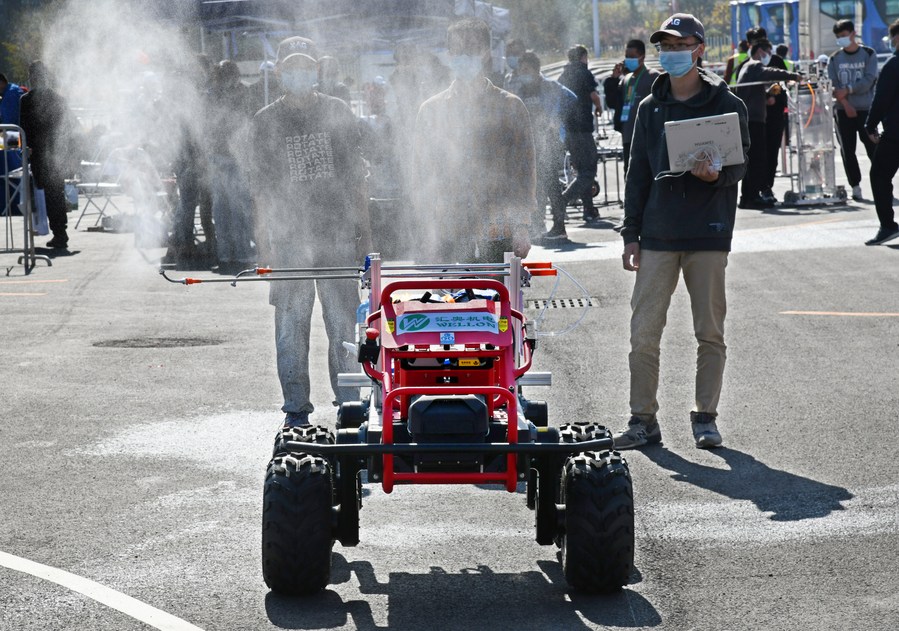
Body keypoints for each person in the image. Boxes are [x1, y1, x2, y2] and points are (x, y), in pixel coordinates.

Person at [614, 13, 750, 450]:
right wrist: (629, 233)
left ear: (698, 49)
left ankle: (705, 417)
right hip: (656, 235)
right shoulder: (650, 108)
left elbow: (740, 163)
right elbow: (637, 173)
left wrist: (717, 177)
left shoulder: (728, 104)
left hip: (708, 234)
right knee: (643, 334)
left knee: (709, 331)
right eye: (664, 45)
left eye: (679, 44)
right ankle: (642, 419)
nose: (670, 53)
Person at [250, 47, 372, 428]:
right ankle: (295, 407)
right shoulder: (266, 120)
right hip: (289, 238)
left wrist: (364, 234)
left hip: (335, 232)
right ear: (279, 71)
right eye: (291, 68)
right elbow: (261, 188)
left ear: (316, 70)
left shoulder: (337, 110)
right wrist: (263, 240)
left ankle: (349, 403)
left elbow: (356, 178)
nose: (299, 73)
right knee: (291, 323)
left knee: (342, 324)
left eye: (306, 67)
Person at [411, 17, 534, 263]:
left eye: (472, 49)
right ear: (449, 54)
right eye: (458, 50)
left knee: (498, 300)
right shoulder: (431, 110)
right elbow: (421, 175)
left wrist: (522, 225)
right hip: (448, 232)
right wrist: (424, 232)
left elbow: (524, 171)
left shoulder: (510, 106)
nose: (464, 56)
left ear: (486, 53)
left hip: (499, 230)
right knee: (450, 300)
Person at [507, 51, 576, 241]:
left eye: (526, 69)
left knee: (551, 185)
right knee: (535, 186)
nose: (522, 73)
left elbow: (572, 98)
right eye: (520, 70)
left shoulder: (550, 86)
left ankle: (559, 226)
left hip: (549, 143)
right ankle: (537, 227)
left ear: (536, 70)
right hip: (529, 143)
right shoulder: (520, 89)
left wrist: (557, 120)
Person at [735, 39, 800, 210]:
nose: (768, 57)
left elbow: (751, 92)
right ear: (761, 52)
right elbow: (769, 72)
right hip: (753, 121)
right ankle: (751, 197)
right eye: (768, 53)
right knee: (756, 160)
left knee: (754, 160)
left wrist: (766, 95)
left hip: (751, 118)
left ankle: (748, 197)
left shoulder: (746, 68)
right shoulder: (754, 65)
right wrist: (792, 76)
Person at [206, 59, 256, 273]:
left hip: (226, 157)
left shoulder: (214, 95)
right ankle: (237, 254)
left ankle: (231, 254)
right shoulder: (237, 93)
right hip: (229, 157)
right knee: (232, 209)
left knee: (227, 209)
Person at [19, 60, 71, 249]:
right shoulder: (58, 99)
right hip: (58, 153)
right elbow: (67, 128)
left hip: (39, 154)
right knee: (56, 192)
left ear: (32, 77)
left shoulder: (26, 100)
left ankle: (54, 231)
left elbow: (23, 129)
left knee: (45, 194)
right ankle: (60, 232)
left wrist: (27, 148)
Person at [828, 19, 878, 201]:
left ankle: (881, 180)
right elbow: (832, 85)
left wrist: (849, 90)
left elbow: (869, 79)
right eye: (838, 37)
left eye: (844, 35)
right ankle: (855, 185)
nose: (842, 40)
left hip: (866, 109)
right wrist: (847, 104)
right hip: (843, 110)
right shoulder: (834, 59)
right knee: (848, 150)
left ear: (852, 33)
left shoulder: (868, 53)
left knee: (872, 146)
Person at [863, 19, 899, 245]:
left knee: (879, 175)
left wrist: (870, 124)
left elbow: (882, 98)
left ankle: (888, 225)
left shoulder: (894, 65)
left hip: (896, 132)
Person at [558, 44, 601, 222]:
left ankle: (589, 210)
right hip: (583, 129)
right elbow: (594, 95)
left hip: (568, 130)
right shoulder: (584, 72)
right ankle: (563, 199)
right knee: (589, 171)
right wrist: (598, 106)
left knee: (581, 171)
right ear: (583, 57)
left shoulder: (563, 75)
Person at [617, 40, 659, 174]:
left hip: (647, 137)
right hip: (628, 134)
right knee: (629, 173)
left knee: (646, 173)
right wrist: (612, 79)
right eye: (626, 56)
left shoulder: (653, 76)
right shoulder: (625, 79)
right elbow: (614, 102)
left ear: (642, 56)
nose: (628, 60)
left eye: (632, 56)